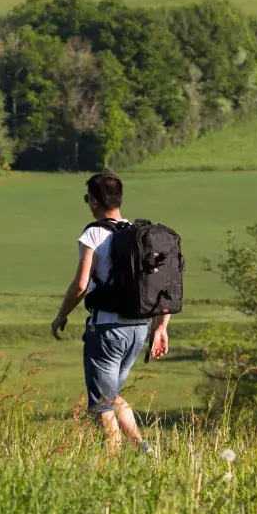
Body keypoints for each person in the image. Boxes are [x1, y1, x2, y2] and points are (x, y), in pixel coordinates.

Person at [50, 172, 168, 452]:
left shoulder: (94, 233)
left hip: (107, 330)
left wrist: (61, 315)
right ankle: (143, 450)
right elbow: (164, 284)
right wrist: (161, 327)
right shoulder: (140, 234)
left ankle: (113, 461)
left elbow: (81, 285)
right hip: (138, 329)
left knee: (102, 404)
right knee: (112, 396)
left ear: (94, 201)